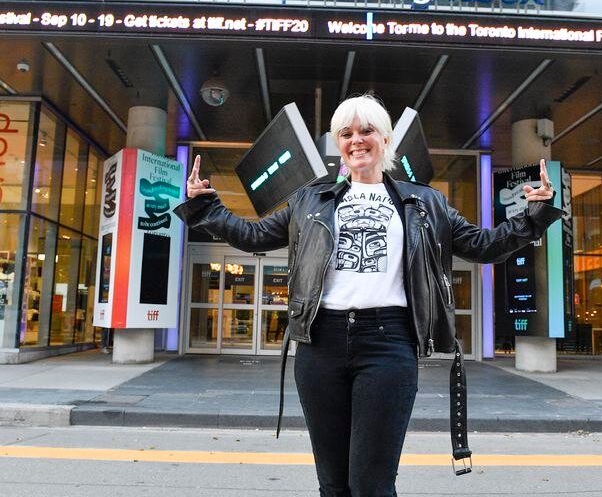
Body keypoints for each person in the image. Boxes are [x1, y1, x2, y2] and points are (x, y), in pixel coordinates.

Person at [174, 94, 562, 497]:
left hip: (388, 343)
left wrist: (534, 217)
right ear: (338, 144)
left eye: (366, 130)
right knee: (333, 483)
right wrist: (208, 208)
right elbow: (255, 235)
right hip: (319, 344)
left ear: (386, 139)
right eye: (346, 133)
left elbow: (483, 245)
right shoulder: (311, 198)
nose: (356, 140)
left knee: (371, 484)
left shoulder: (425, 201)